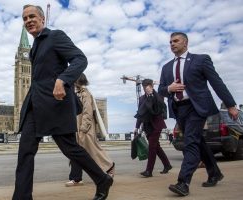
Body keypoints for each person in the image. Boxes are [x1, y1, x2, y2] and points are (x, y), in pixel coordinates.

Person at [12, 5, 113, 200]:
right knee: (25, 152)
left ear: (42, 19)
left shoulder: (56, 36)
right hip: (34, 104)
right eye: (25, 18)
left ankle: (102, 178)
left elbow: (80, 59)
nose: (28, 20)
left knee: (70, 148)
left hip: (55, 103)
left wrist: (63, 79)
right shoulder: (34, 48)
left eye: (32, 16)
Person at [158, 32, 239, 196]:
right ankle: (214, 172)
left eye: (176, 41)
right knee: (198, 142)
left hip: (197, 107)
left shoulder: (201, 60)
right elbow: (161, 90)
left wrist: (230, 104)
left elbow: (216, 82)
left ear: (185, 42)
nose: (172, 44)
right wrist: (169, 89)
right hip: (179, 109)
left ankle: (183, 182)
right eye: (170, 42)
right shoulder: (166, 67)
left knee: (190, 143)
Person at [66, 73, 115, 187]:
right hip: (78, 129)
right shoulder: (77, 93)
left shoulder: (85, 94)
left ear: (79, 81)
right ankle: (76, 178)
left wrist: (83, 128)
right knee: (76, 152)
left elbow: (87, 113)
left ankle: (110, 167)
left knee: (94, 151)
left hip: (85, 130)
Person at [134, 79, 172, 178]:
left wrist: (152, 94)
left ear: (152, 86)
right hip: (147, 126)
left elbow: (159, 105)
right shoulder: (142, 98)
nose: (145, 88)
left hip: (157, 125)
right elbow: (140, 114)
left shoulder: (158, 96)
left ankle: (149, 171)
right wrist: (136, 127)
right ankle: (167, 165)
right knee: (156, 147)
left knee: (152, 147)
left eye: (148, 86)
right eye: (144, 86)